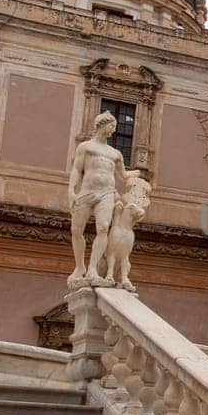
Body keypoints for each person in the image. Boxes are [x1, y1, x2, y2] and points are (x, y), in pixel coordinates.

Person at [68, 111, 125, 286]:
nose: (113, 130)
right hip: (87, 190)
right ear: (102, 124)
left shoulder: (115, 153)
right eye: (112, 126)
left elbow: (122, 174)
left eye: (115, 127)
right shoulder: (85, 147)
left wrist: (137, 175)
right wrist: (71, 190)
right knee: (76, 231)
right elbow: (77, 169)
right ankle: (80, 267)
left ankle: (92, 267)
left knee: (103, 228)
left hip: (107, 192)